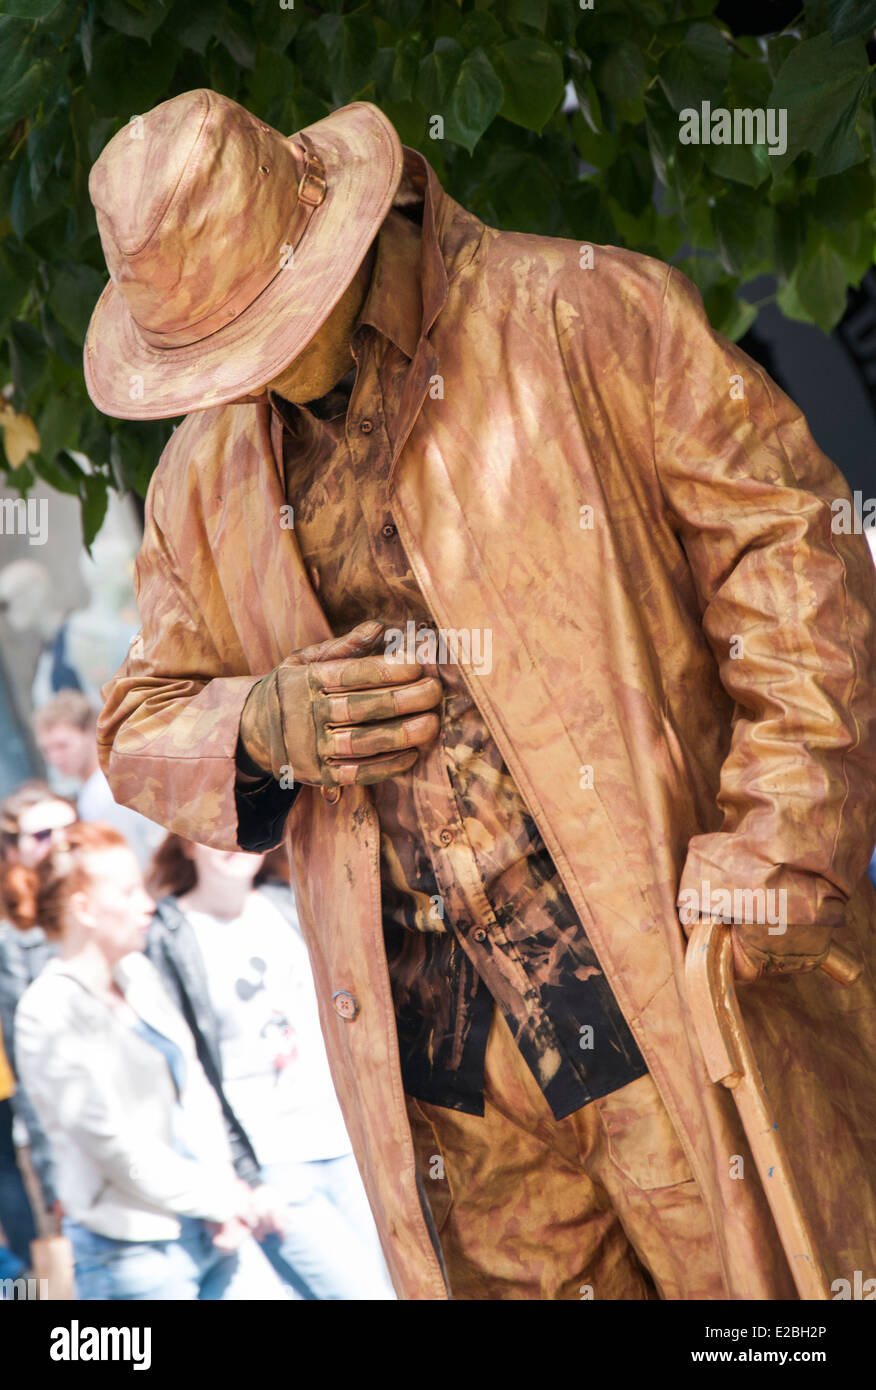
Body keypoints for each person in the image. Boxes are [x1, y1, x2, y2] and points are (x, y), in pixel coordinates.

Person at [89, 90, 876, 1300]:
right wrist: (256, 727)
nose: (233, 378)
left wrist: (776, 843)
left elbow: (797, 556)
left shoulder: (587, 313)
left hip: (664, 999)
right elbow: (141, 718)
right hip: (447, 1089)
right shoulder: (203, 481)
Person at [8, 820, 287, 1300]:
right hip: (133, 1256)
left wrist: (223, 1194)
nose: (147, 904)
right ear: (83, 909)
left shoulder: (137, 973)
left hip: (212, 1229)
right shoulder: (46, 1010)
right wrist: (220, 1200)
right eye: (129, 891)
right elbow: (114, 1147)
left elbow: (197, 1089)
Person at [146, 834, 396, 1299]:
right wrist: (242, 1178)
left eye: (244, 829)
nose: (232, 842)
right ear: (185, 844)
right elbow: (187, 1071)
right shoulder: (170, 935)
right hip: (273, 1164)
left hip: (346, 1144)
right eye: (214, 830)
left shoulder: (288, 903)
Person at [0, 783, 76, 1226]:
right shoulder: (15, 939)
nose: (61, 842)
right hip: (72, 1117)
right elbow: (29, 1067)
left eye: (70, 828)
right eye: (43, 835)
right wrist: (54, 1179)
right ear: (14, 850)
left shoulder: (120, 900)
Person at [32, 692, 161, 870]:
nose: (55, 758)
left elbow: (131, 862)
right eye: (46, 750)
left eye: (62, 745)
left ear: (90, 733)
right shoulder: (96, 789)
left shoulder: (107, 791)